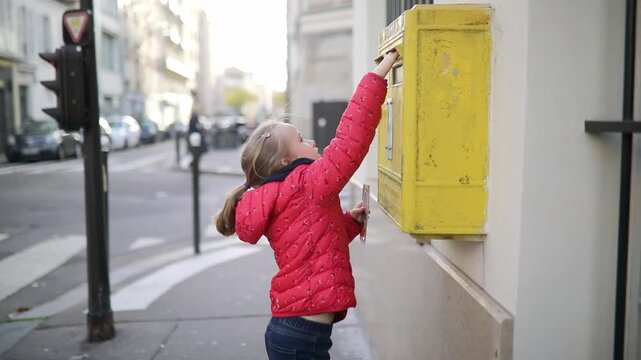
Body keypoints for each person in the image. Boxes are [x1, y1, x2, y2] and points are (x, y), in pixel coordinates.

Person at [215, 50, 399, 360]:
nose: (312, 143)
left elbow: (312, 240)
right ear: (286, 160)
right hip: (301, 336)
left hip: (289, 331)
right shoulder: (308, 182)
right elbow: (350, 140)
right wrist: (377, 77)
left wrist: (349, 224)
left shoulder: (282, 193)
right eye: (302, 139)